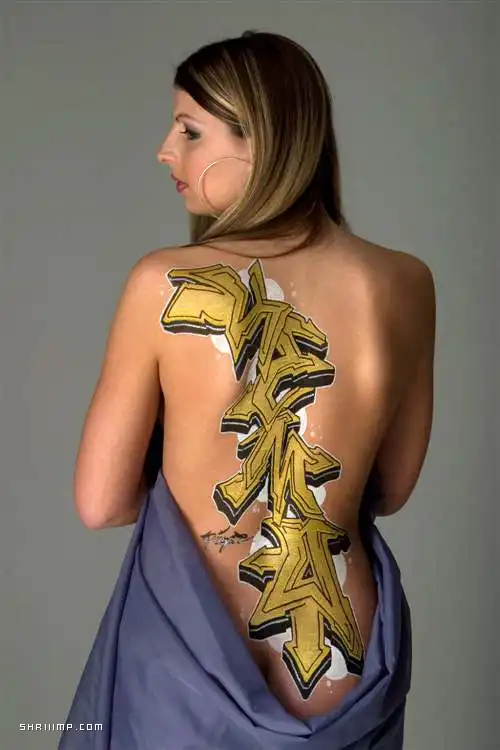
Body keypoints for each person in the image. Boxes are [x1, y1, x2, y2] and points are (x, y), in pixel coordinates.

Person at [58, 30, 436, 750]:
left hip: (190, 638)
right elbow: (391, 487)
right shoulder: (404, 284)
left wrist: (194, 470)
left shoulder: (162, 282)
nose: (165, 151)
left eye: (190, 130)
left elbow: (101, 501)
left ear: (261, 139)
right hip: (340, 644)